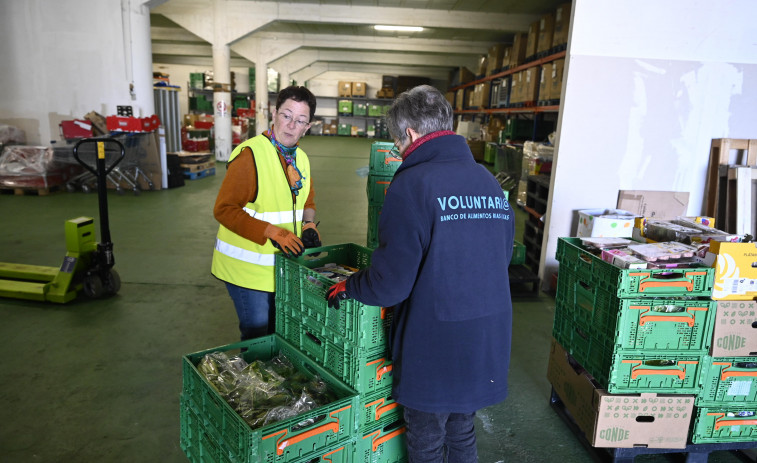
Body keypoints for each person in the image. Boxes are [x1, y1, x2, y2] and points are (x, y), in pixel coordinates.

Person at [326, 85, 514, 463]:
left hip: (438, 340)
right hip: (487, 334)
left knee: (427, 438)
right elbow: (500, 255)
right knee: (461, 429)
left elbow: (391, 284)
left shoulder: (411, 184)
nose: (397, 149)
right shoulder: (486, 181)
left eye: (396, 140)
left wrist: (350, 286)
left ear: (410, 134)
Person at [212, 85, 322, 341]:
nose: (291, 125)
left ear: (308, 126)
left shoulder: (300, 159)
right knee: (258, 334)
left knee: (277, 330)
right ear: (274, 114)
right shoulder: (251, 155)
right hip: (246, 269)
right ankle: (253, 381)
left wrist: (308, 224)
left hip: (281, 267)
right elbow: (224, 210)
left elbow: (309, 199)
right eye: (286, 115)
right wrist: (271, 232)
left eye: (300, 120)